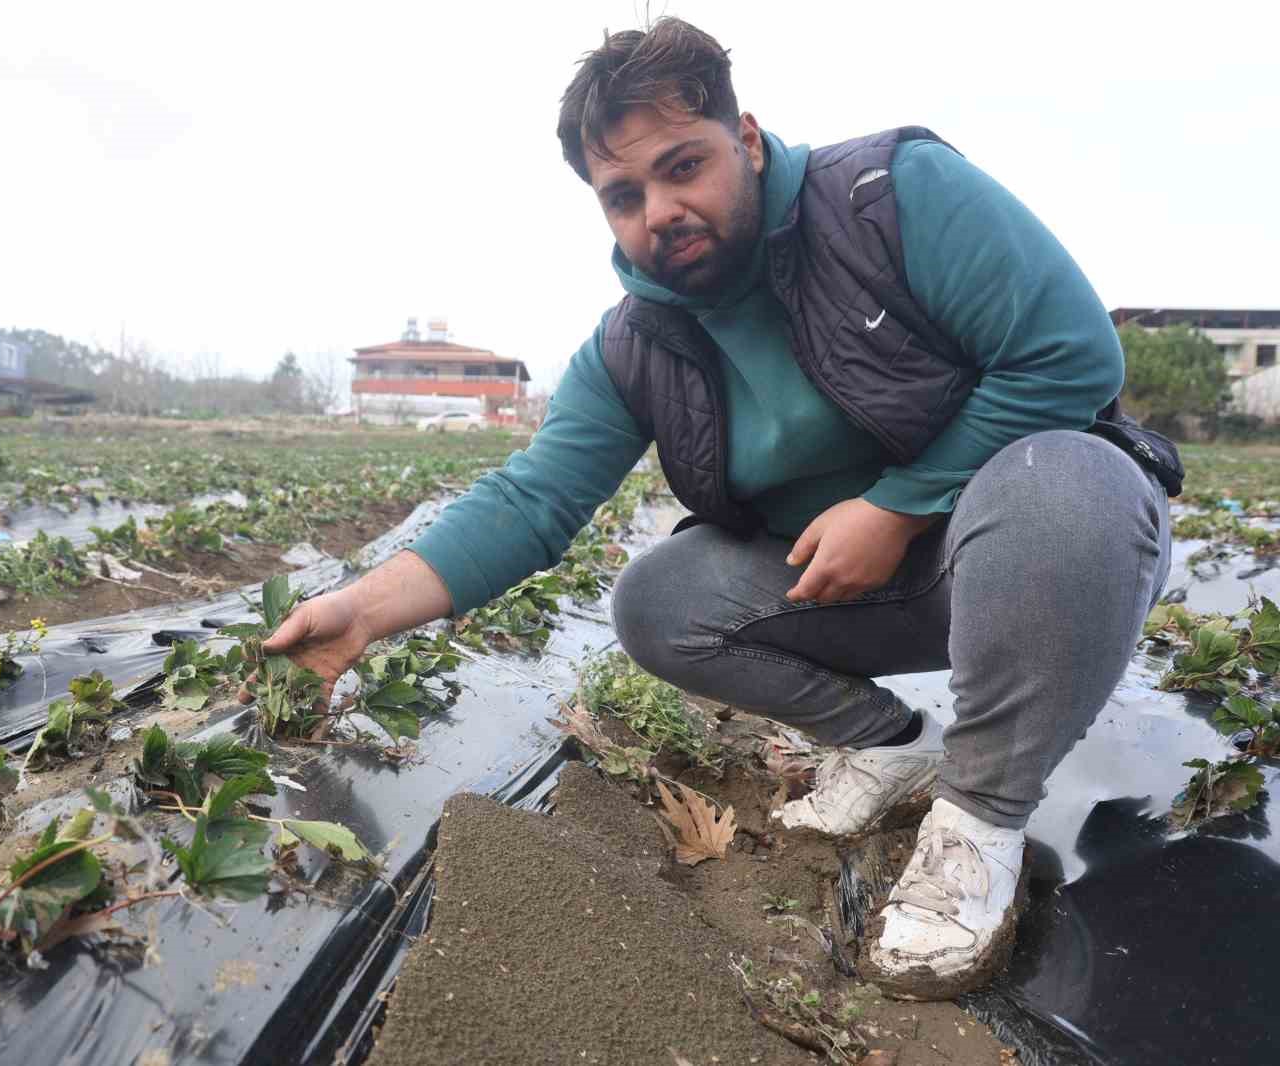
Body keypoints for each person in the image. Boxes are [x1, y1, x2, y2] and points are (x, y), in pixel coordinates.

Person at [260, 17, 1179, 997]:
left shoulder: (890, 199)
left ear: (743, 138)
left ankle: (979, 822)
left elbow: (1072, 354)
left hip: (1028, 551)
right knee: (658, 598)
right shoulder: (634, 345)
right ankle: (893, 748)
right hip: (861, 587)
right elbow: (533, 498)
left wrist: (898, 506)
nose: (660, 210)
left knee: (1065, 484)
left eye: (682, 165)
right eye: (623, 196)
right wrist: (359, 610)